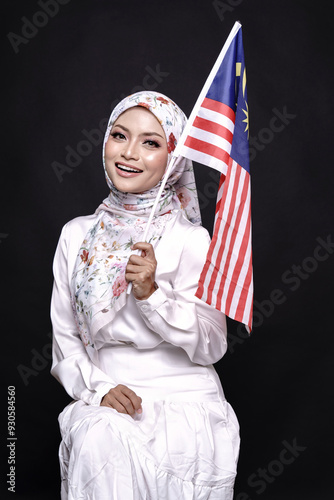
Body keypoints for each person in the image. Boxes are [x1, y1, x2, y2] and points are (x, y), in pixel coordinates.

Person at [50, 90, 240, 500]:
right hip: (109, 399)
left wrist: (152, 295)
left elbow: (214, 345)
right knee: (100, 438)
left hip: (186, 406)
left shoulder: (191, 239)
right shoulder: (76, 235)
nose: (129, 153)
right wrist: (98, 390)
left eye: (151, 142)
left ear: (172, 158)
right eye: (119, 136)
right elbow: (65, 342)